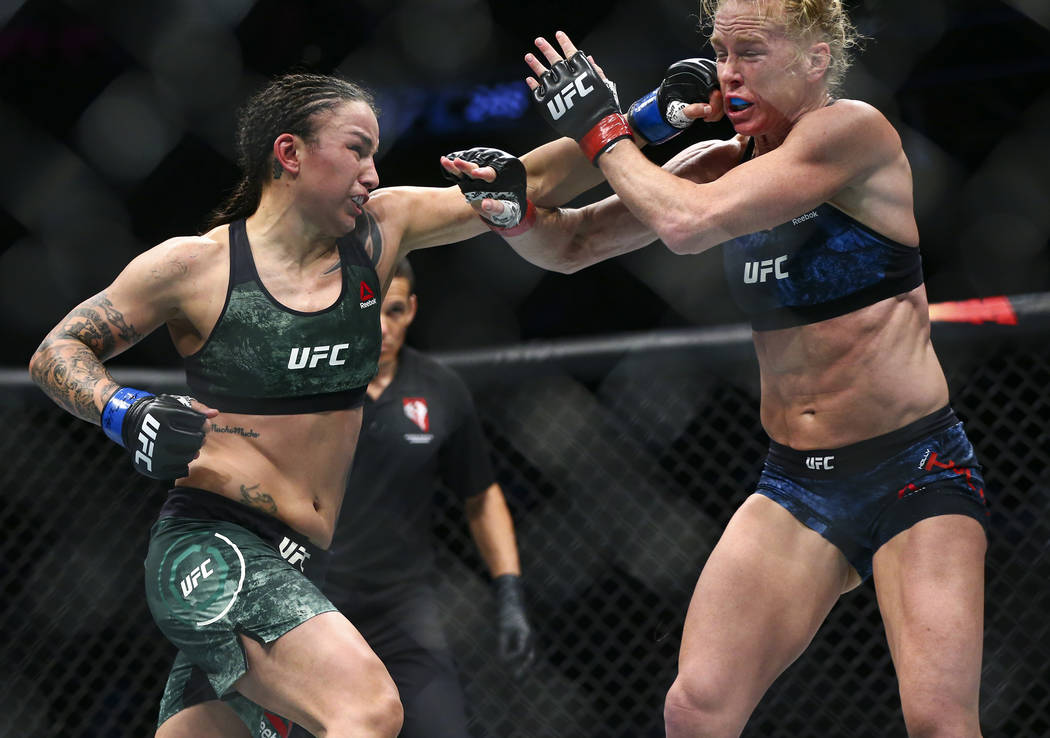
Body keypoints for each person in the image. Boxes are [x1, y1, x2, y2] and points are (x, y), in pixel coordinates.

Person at [443, 2, 990, 735]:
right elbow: (573, 246)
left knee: (939, 723)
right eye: (720, 51)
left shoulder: (852, 132)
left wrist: (604, 128)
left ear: (815, 60)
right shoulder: (717, 164)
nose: (728, 72)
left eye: (751, 52)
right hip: (798, 482)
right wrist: (511, 212)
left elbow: (688, 224)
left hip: (913, 466)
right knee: (696, 709)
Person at [26, 71, 566, 738]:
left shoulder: (379, 233)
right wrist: (122, 408)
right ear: (291, 154)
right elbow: (58, 349)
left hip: (296, 564)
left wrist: (641, 119)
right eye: (357, 149)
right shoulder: (195, 267)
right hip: (214, 547)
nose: (373, 172)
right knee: (366, 709)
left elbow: (525, 184)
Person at [283, 256, 533, 738]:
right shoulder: (308, 383)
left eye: (394, 311)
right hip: (314, 601)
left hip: (405, 609)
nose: (382, 326)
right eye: (370, 308)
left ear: (413, 310)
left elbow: (481, 497)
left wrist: (509, 590)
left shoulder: (440, 388)